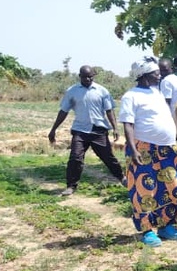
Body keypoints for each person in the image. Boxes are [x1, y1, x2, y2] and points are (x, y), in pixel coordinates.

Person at [119, 59, 177, 247]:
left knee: (168, 187)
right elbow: (128, 124)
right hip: (144, 149)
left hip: (167, 148)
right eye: (155, 73)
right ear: (144, 75)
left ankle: (166, 225)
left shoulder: (157, 92)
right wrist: (133, 149)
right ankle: (147, 230)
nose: (159, 75)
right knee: (145, 190)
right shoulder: (131, 96)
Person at [48, 65, 125, 196]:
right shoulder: (72, 91)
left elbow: (109, 110)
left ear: (93, 76)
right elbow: (63, 111)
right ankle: (71, 186)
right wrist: (53, 129)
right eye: (85, 77)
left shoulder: (102, 91)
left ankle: (122, 178)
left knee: (108, 157)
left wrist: (115, 128)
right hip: (80, 131)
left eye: (90, 76)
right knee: (75, 158)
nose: (88, 79)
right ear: (80, 76)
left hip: (98, 130)